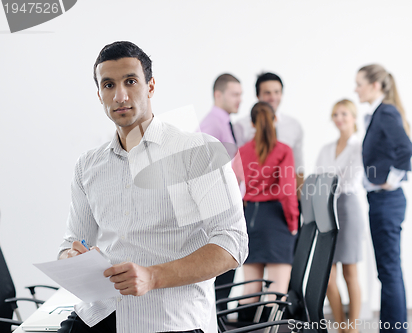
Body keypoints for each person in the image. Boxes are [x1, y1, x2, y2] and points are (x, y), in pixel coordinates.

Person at [57, 41, 248, 333]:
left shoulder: (198, 152)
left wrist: (152, 277)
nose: (120, 95)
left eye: (130, 81)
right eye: (108, 85)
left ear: (151, 86)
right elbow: (72, 241)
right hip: (97, 315)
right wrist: (70, 258)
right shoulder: (88, 165)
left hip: (166, 319)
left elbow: (232, 243)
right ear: (99, 95)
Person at [355, 64, 412, 333]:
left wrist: (392, 180)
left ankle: (394, 330)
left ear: (375, 85)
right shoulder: (378, 113)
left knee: (389, 271)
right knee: (387, 271)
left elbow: (406, 149)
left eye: (359, 83)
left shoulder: (386, 111)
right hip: (379, 201)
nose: (356, 89)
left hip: (387, 201)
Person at [237, 102, 299, 321]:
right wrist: (293, 224)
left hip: (249, 219)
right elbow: (287, 191)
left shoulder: (242, 151)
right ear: (275, 120)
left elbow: (236, 189)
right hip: (276, 220)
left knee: (250, 289)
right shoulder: (283, 150)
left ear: (252, 123)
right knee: (277, 292)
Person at [315, 99, 364, 333]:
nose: (339, 118)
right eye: (335, 114)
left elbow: (349, 180)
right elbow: (318, 180)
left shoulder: (359, 147)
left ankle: (352, 327)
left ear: (354, 117)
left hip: (347, 207)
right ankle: (340, 325)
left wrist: (328, 181)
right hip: (326, 208)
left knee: (350, 271)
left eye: (344, 113)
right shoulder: (326, 149)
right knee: (327, 276)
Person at [198, 73, 243, 310]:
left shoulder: (224, 121)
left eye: (241, 95)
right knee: (221, 279)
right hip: (219, 208)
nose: (240, 100)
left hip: (226, 206)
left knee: (226, 277)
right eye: (235, 94)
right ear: (218, 94)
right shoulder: (211, 124)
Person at [234, 73, 305, 199]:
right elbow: (236, 168)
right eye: (267, 93)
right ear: (258, 95)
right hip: (250, 201)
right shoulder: (241, 126)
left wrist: (299, 202)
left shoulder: (294, 126)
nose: (273, 97)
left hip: (285, 201)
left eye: (277, 92)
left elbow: (298, 168)